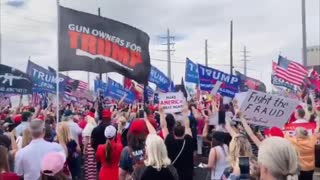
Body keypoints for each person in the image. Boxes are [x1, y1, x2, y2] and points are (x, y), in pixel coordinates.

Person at [163, 105, 194, 180]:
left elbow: (164, 127)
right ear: (184, 132)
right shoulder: (188, 140)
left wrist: (161, 113)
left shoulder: (169, 140)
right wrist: (185, 114)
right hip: (187, 173)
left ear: (173, 132)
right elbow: (187, 126)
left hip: (174, 172)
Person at [82, 116, 97, 180]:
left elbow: (86, 139)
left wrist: (84, 149)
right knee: (93, 166)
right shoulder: (94, 126)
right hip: (93, 147)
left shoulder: (88, 126)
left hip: (89, 147)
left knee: (89, 166)